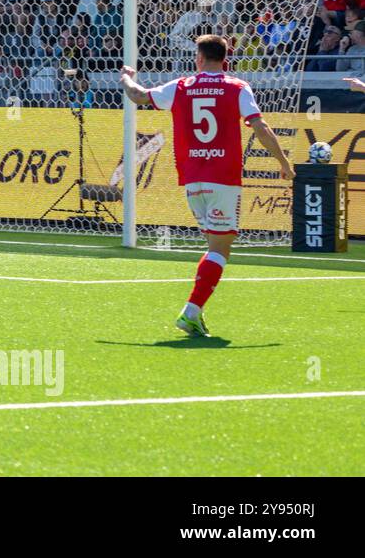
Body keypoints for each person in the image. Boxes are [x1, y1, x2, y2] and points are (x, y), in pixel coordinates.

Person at [119, 35, 294, 337]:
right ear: (226, 59)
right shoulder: (238, 87)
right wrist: (283, 163)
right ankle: (191, 311)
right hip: (223, 177)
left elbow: (138, 96)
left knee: (214, 245)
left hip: (191, 178)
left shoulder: (180, 86)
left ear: (199, 59)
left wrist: (125, 77)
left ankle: (195, 312)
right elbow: (260, 127)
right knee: (220, 248)